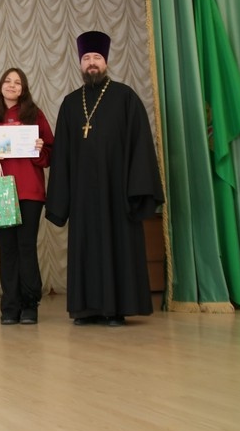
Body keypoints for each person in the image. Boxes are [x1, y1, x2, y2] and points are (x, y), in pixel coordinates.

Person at [45, 31, 163, 327]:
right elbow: (62, 155)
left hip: (117, 192)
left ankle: (116, 309)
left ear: (106, 62)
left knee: (117, 246)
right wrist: (61, 199)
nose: (92, 63)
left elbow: (140, 146)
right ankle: (86, 309)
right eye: (86, 58)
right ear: (80, 64)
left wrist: (136, 190)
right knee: (86, 249)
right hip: (83, 195)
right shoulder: (71, 103)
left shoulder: (126, 98)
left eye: (97, 57)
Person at [0, 68, 53, 325]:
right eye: (7, 81)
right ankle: (10, 306)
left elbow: (49, 153)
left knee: (26, 247)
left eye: (17, 82)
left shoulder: (35, 115)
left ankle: (30, 305)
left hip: (30, 190)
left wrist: (40, 150)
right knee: (7, 249)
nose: (12, 85)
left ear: (24, 88)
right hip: (1, 191)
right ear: (0, 86)